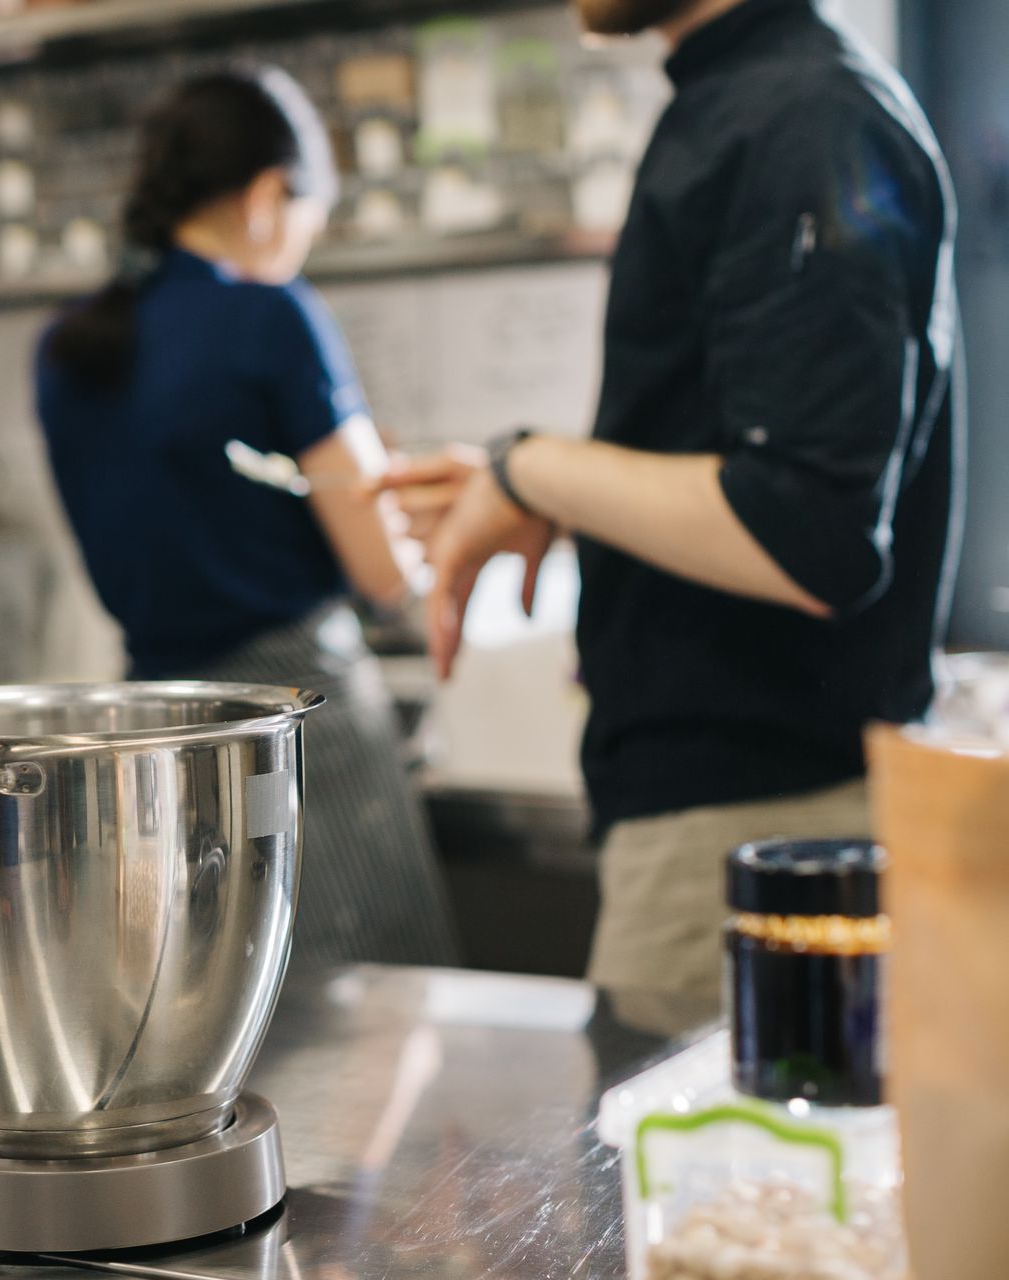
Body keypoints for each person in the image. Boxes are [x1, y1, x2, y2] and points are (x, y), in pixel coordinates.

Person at [384, 0, 960, 1003]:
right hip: (733, 813)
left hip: (756, 827)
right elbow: (749, 471)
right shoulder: (745, 99)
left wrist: (532, 469)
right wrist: (535, 485)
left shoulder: (802, 116)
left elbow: (807, 532)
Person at [35, 67, 459, 968]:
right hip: (298, 724)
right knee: (379, 1015)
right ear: (270, 194)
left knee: (214, 1016)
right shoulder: (273, 318)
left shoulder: (66, 349)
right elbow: (384, 573)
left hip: (151, 730)